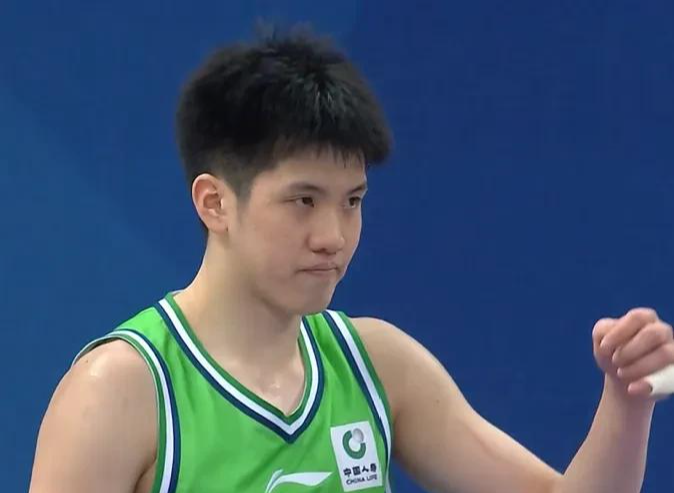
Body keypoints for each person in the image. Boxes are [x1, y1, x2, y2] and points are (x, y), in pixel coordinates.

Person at [29, 29, 674, 493]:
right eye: (303, 201)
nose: (333, 236)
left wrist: (627, 400)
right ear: (215, 203)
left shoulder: (377, 366)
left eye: (353, 201)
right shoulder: (119, 392)